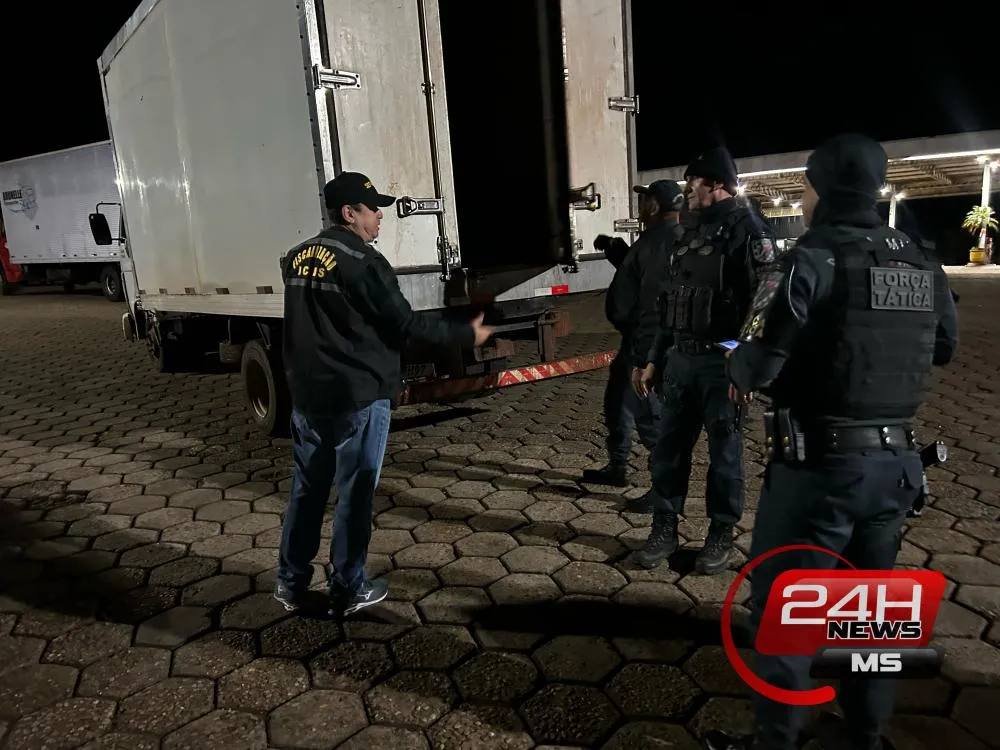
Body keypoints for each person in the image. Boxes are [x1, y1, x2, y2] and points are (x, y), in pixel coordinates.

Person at [704, 133, 958, 750]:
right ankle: (864, 736)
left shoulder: (808, 258)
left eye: (806, 188)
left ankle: (776, 743)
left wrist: (739, 360)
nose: (803, 200)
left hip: (820, 470)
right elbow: (945, 347)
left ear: (820, 189)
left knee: (788, 614)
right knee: (869, 615)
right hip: (898, 467)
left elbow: (755, 365)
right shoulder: (921, 260)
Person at [275, 171, 494, 617]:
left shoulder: (297, 257)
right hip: (356, 397)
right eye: (373, 209)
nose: (380, 216)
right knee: (354, 494)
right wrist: (464, 333)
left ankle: (290, 583)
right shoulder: (363, 262)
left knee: (307, 491)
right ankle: (348, 588)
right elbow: (405, 323)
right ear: (348, 213)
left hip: (308, 397)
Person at [629, 147, 779, 571]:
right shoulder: (688, 232)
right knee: (668, 452)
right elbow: (670, 303)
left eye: (693, 182)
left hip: (722, 366)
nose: (688, 189)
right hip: (681, 362)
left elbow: (766, 302)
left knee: (725, 458)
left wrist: (744, 364)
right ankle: (663, 527)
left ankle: (720, 534)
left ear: (716, 184)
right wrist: (654, 359)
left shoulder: (750, 230)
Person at [581, 180, 684, 487]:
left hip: (645, 343)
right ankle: (617, 466)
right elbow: (637, 272)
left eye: (644, 199)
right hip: (636, 340)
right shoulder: (657, 238)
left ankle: (664, 489)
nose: (639, 205)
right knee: (618, 402)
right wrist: (616, 250)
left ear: (654, 205)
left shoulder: (661, 242)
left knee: (648, 413)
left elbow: (655, 303)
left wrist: (644, 358)